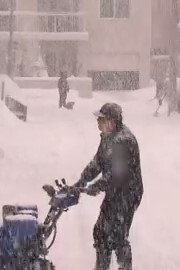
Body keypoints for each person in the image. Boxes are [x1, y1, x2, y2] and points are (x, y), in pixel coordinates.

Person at [73, 102, 143, 270]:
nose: (98, 124)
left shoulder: (123, 141)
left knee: (118, 236)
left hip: (128, 193)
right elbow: (97, 163)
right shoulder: (107, 137)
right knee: (101, 232)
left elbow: (117, 174)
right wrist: (81, 182)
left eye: (101, 120)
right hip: (114, 192)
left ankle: (124, 267)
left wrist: (97, 186)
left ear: (112, 121)